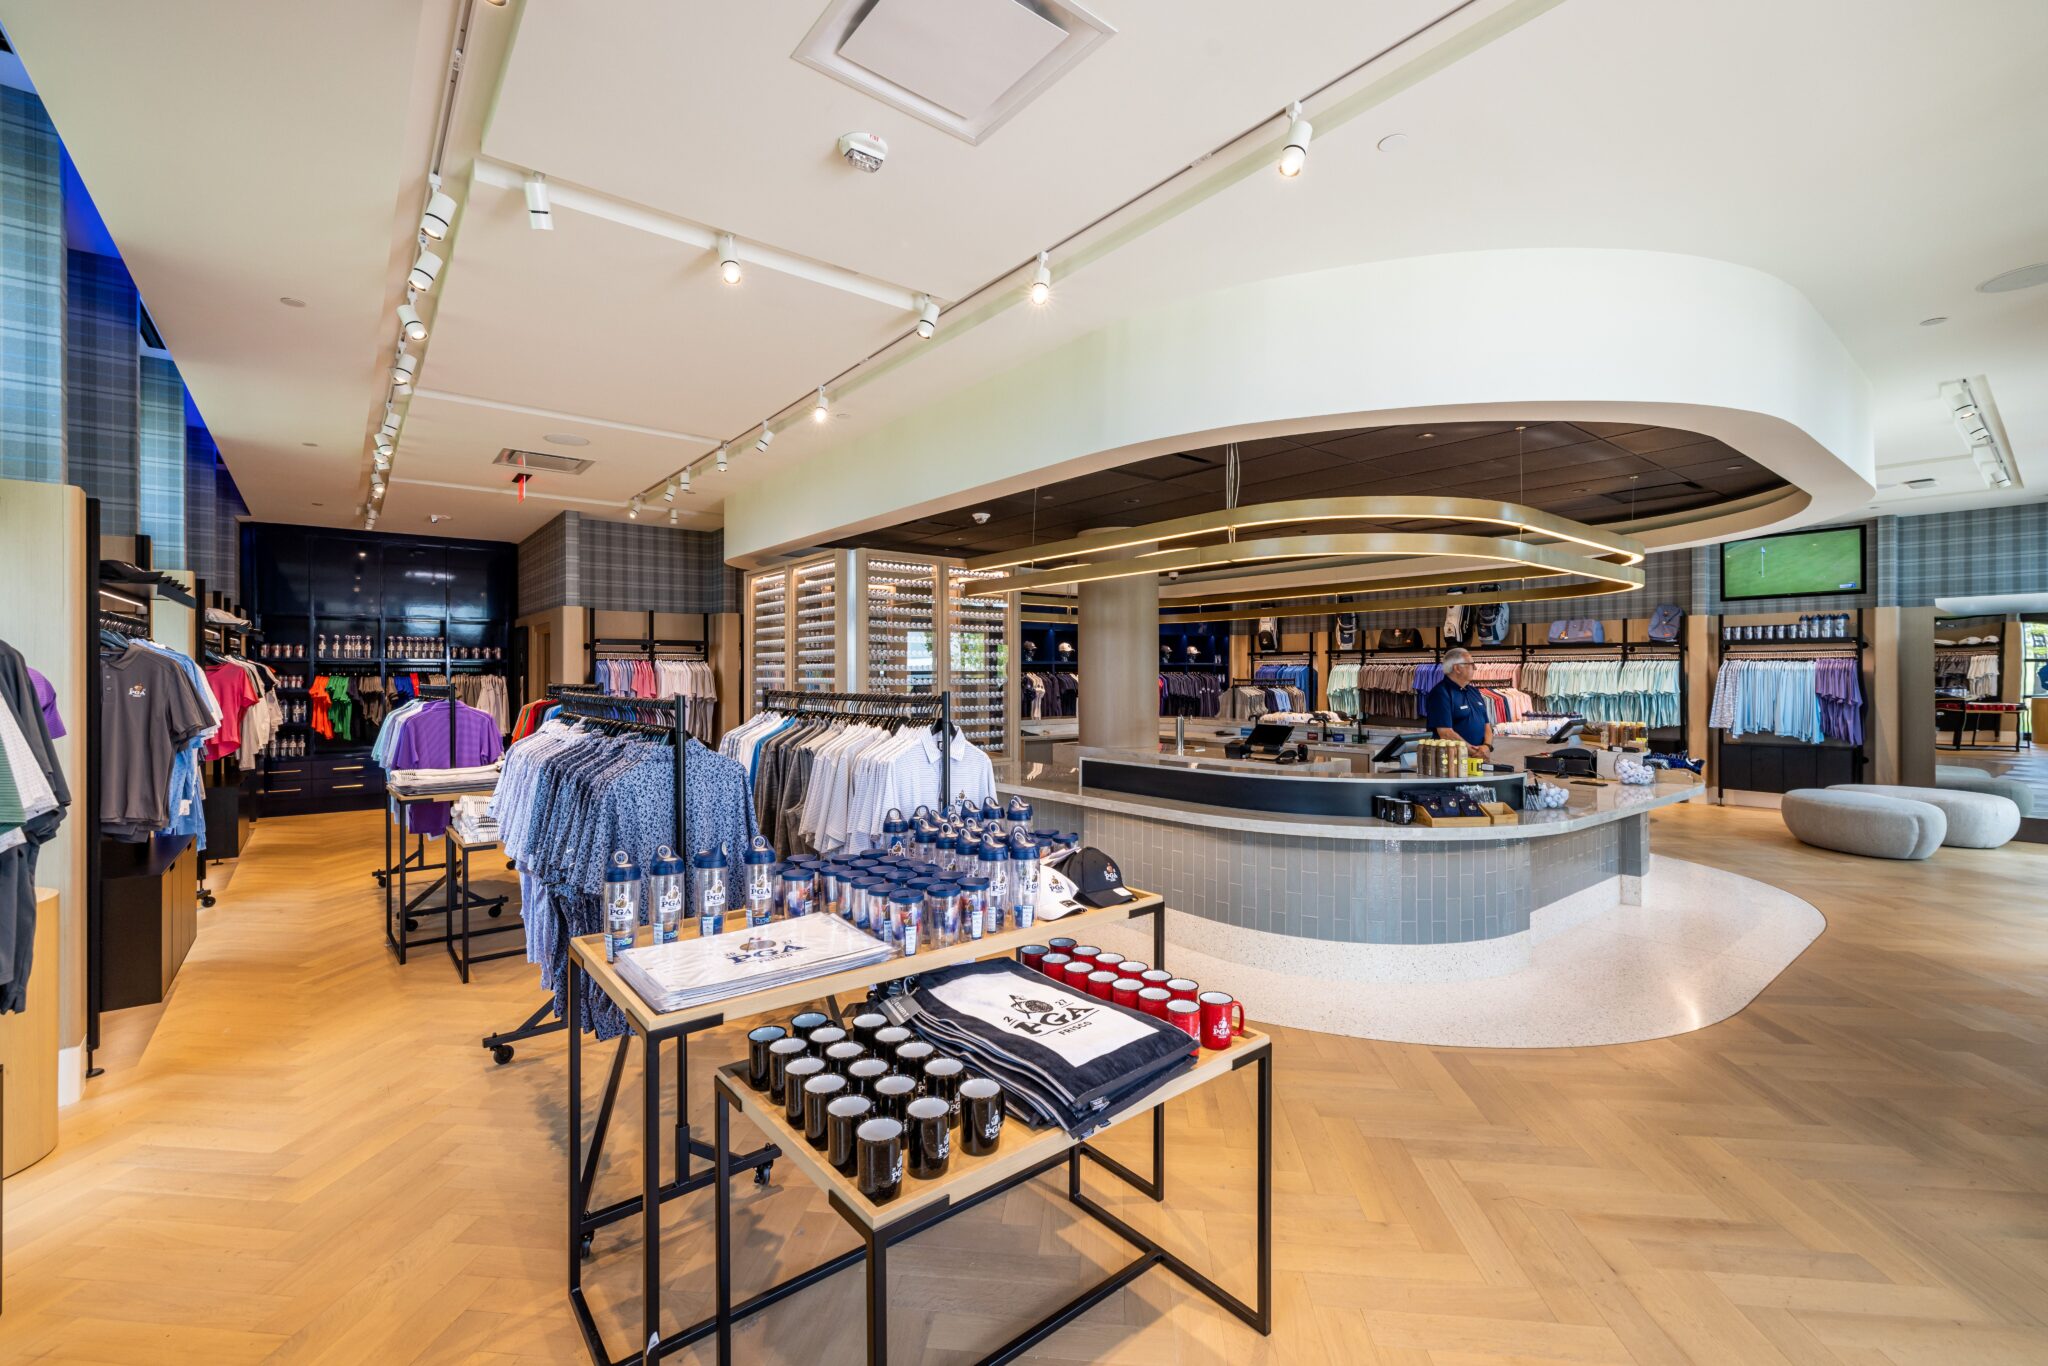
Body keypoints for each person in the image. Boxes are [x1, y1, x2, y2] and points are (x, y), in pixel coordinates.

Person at [1424, 647, 1492, 758]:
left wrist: (1487, 746)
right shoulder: (1440, 693)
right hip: (1451, 761)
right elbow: (1445, 733)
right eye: (1471, 664)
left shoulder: (1474, 692)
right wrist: (1474, 752)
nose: (1475, 668)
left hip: (1478, 758)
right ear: (1457, 668)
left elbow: (1487, 725)